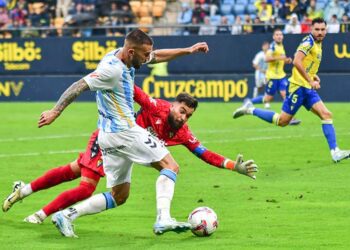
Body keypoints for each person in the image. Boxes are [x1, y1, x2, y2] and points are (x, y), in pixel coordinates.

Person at [32, 29, 258, 237]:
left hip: (109, 137)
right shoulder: (112, 70)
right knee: (171, 167)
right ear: (131, 52)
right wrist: (55, 111)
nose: (148, 58)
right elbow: (79, 85)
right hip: (125, 131)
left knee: (119, 196)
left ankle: (66, 215)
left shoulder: (125, 57)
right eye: (144, 54)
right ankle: (163, 218)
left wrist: (188, 50)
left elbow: (157, 56)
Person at [2, 86, 258, 227]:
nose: (183, 117)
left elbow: (204, 153)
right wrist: (117, 69)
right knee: (86, 186)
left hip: (126, 153)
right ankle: (41, 215)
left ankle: (22, 190)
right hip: (110, 140)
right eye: (181, 111)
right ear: (172, 105)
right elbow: (134, 91)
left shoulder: (182, 131)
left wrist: (231, 166)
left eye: (188, 115)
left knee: (86, 177)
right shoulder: (156, 106)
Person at [232, 18, 350, 163]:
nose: (320, 32)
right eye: (317, 29)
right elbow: (296, 61)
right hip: (298, 88)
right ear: (311, 29)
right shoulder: (309, 43)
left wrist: (313, 76)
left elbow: (307, 64)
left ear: (326, 30)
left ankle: (335, 152)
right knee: (282, 121)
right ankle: (250, 109)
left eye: (322, 29)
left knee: (326, 114)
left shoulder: (318, 44)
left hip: (307, 88)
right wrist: (310, 80)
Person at [242, 28, 300, 125]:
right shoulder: (273, 46)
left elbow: (280, 60)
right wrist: (280, 58)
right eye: (277, 35)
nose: (279, 36)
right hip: (272, 77)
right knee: (268, 98)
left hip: (281, 76)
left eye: (280, 34)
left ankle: (291, 118)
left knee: (286, 96)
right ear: (273, 37)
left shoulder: (281, 46)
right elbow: (267, 58)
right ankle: (249, 101)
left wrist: (286, 60)